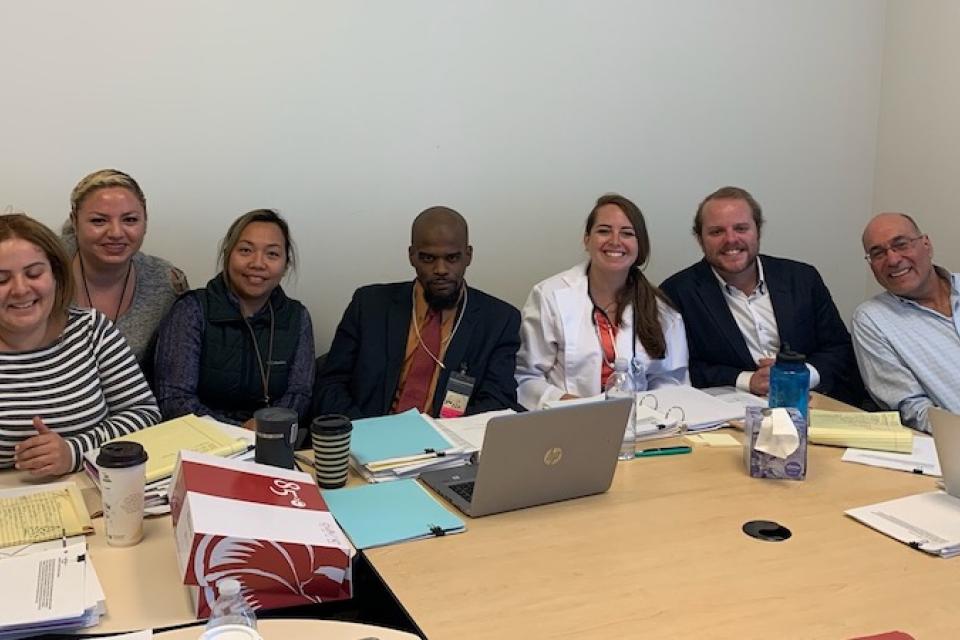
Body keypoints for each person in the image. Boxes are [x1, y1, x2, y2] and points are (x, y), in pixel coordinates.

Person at [660, 186, 863, 404]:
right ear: (700, 239)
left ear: (758, 231)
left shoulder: (803, 278)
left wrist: (798, 376)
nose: (731, 239)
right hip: (730, 414)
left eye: (741, 228)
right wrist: (748, 380)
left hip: (813, 402)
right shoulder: (676, 293)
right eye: (717, 232)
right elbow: (679, 369)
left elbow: (839, 348)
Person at [313, 206, 521, 419]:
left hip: (450, 444)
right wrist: (366, 432)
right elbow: (330, 385)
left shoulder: (499, 320)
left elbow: (498, 401)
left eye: (452, 258)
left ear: (468, 256)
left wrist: (444, 438)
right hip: (369, 437)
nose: (441, 269)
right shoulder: (369, 306)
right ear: (412, 256)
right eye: (428, 258)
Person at [0, 214, 160, 477]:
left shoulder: (91, 329)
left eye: (34, 273)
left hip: (91, 491)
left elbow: (145, 413)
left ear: (55, 275)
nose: (20, 289)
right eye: (1, 280)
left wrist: (74, 452)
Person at [516, 194, 689, 410]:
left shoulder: (661, 310)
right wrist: (570, 404)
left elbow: (672, 380)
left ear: (639, 245)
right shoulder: (550, 296)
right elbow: (525, 377)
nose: (615, 241)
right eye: (604, 231)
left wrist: (648, 411)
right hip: (567, 421)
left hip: (641, 425)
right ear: (587, 240)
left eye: (627, 233)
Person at [154, 209, 314, 429]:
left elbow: (299, 393)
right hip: (200, 442)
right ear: (228, 255)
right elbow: (174, 398)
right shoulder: (192, 310)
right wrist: (237, 432)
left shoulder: (297, 317)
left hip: (272, 441)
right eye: (246, 250)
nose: (258, 263)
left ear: (285, 265)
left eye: (272, 254)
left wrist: (268, 425)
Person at [65, 169, 189, 366]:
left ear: (145, 222)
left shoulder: (166, 282)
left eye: (129, 220)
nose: (115, 232)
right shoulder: (39, 266)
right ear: (75, 221)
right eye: (99, 220)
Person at [852, 213, 960, 432]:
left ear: (927, 245)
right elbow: (912, 407)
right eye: (878, 253)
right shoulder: (872, 320)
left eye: (901, 244)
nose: (893, 260)